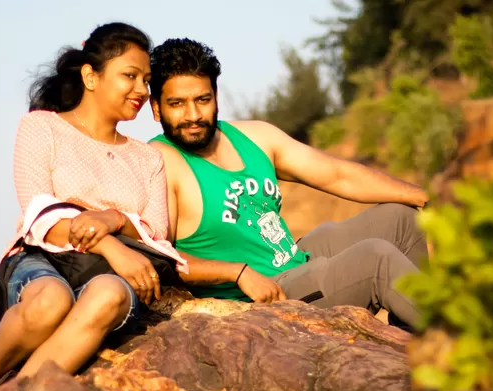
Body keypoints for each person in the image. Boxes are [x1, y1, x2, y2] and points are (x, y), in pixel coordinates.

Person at [0, 23, 185, 391]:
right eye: (130, 76)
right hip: (43, 256)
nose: (141, 89)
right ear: (90, 76)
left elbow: (156, 232)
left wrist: (113, 218)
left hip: (110, 275)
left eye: (146, 79)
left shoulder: (148, 158)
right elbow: (38, 212)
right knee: (51, 301)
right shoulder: (42, 127)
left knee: (108, 295)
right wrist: (108, 242)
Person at [147, 38, 430, 330]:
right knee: (376, 260)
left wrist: (422, 196)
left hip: (291, 258)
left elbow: (337, 174)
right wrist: (237, 272)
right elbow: (160, 257)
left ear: (215, 96)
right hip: (262, 297)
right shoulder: (160, 161)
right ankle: (448, 341)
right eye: (177, 104)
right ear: (156, 108)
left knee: (402, 218)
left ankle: (410, 336)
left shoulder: (254, 136)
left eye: (202, 100)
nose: (193, 115)